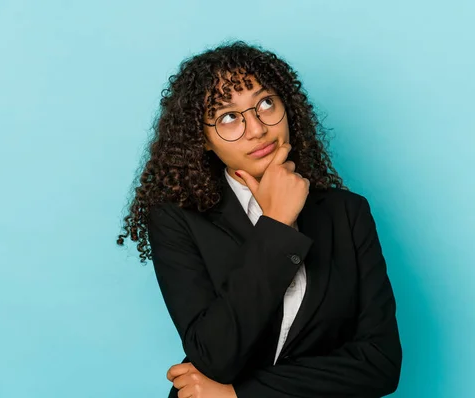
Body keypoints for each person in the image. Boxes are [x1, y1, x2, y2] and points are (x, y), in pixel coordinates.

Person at [116, 40, 402, 398]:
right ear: (202, 139)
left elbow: (380, 365)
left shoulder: (347, 213)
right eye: (228, 117)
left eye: (265, 103)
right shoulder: (177, 220)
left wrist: (239, 394)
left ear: (288, 106)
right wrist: (277, 225)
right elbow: (215, 356)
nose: (256, 129)